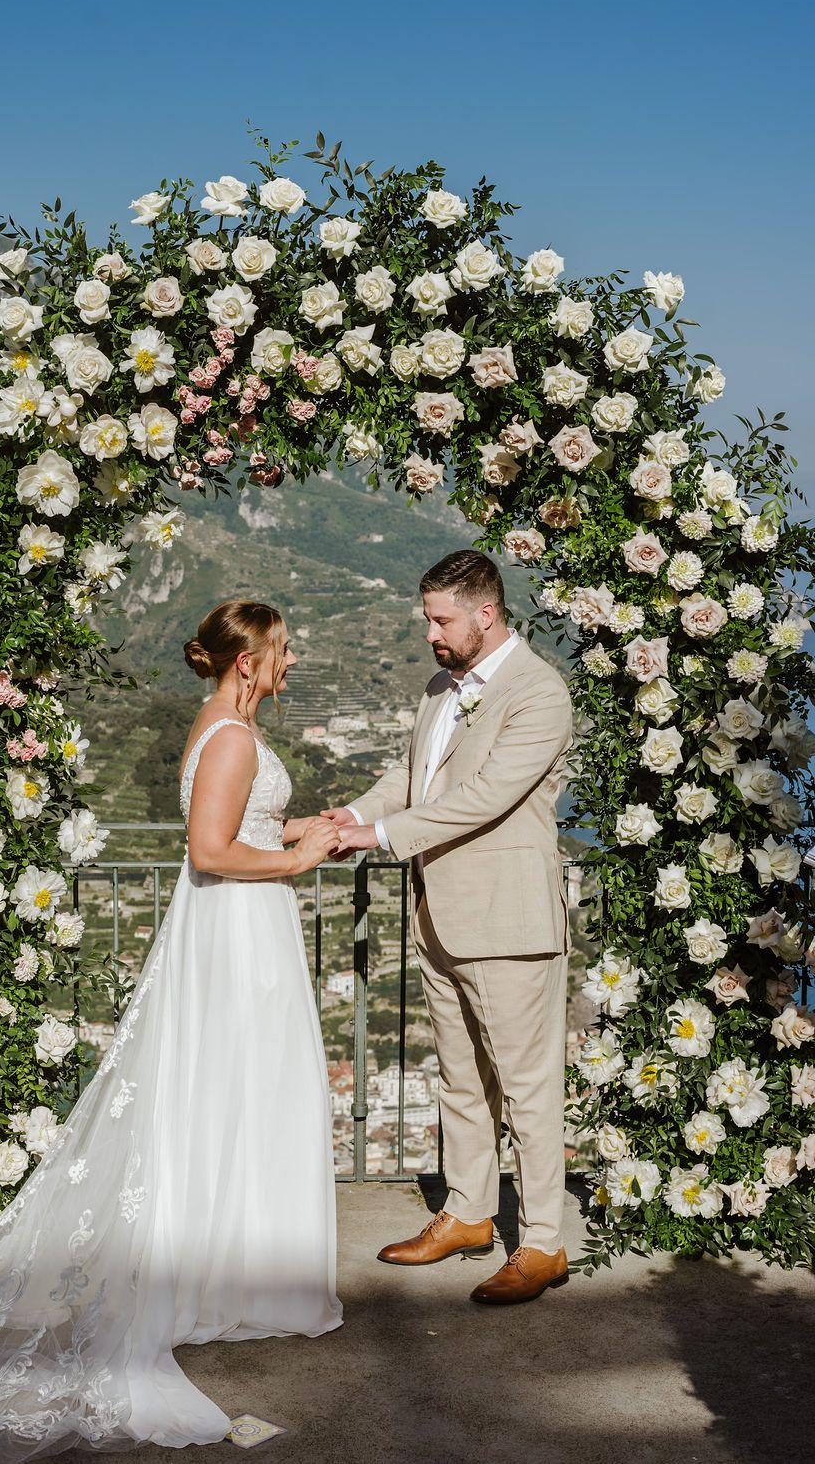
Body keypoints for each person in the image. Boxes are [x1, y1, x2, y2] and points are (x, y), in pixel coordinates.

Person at [0, 600, 343, 1458]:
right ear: (246, 662)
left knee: (232, 1093)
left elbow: (240, 829)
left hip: (235, 927)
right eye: (283, 648)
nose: (292, 659)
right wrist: (297, 859)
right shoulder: (233, 736)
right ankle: (238, 1282)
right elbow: (210, 850)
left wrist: (296, 828)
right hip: (239, 930)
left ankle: (229, 1273)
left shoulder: (222, 727)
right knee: (245, 1089)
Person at [327, 550, 573, 1305]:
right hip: (442, 913)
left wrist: (381, 838)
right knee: (459, 1078)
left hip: (508, 919)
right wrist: (354, 814)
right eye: (427, 617)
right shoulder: (442, 688)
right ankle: (467, 1213)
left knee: (528, 1089)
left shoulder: (539, 693)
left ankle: (542, 1244)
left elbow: (485, 798)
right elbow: (416, 777)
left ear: (485, 614)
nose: (428, 631)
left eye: (440, 619)